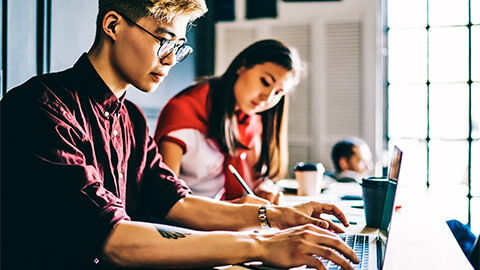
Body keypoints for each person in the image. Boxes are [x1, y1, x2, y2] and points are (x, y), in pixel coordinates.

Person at [0, 1, 360, 269]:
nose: (172, 60)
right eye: (164, 40)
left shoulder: (132, 120)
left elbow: (178, 203)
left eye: (179, 46)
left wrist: (279, 217)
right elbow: (110, 240)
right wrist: (261, 245)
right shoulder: (40, 108)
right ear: (113, 25)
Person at [154, 39, 302, 205]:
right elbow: (165, 198)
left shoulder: (250, 118)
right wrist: (235, 209)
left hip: (228, 220)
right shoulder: (183, 111)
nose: (267, 98)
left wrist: (263, 189)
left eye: (278, 93)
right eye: (265, 82)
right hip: (185, 222)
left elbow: (256, 180)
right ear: (242, 66)